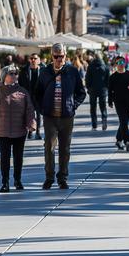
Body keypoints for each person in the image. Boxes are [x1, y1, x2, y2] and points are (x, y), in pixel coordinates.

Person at [34, 43, 85, 189]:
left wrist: (72, 105)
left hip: (66, 117)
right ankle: (49, 177)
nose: (58, 59)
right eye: (56, 57)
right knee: (49, 147)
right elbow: (37, 93)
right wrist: (41, 109)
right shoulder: (45, 72)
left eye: (61, 56)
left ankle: (62, 177)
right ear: (52, 56)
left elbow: (81, 92)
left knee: (65, 148)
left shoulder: (72, 71)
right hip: (50, 116)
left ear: (65, 56)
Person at [0, 65, 35, 191]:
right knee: (5, 157)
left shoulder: (23, 91)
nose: (14, 76)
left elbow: (30, 109)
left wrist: (31, 124)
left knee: (18, 157)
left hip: (20, 131)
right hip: (2, 130)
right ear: (5, 76)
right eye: (11, 73)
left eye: (15, 73)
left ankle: (17, 180)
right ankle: (5, 183)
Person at [108, 58, 129, 151]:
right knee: (123, 120)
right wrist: (110, 101)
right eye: (119, 63)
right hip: (118, 102)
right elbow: (109, 90)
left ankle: (118, 140)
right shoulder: (113, 77)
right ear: (116, 64)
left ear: (125, 63)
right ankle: (127, 141)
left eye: (122, 62)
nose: (121, 64)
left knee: (124, 122)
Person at [85, 52, 109, 131]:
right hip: (103, 90)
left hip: (93, 90)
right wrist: (107, 88)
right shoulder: (105, 67)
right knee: (103, 107)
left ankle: (94, 125)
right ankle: (104, 121)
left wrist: (88, 88)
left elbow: (87, 78)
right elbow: (108, 80)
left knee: (93, 108)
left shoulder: (90, 66)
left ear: (94, 58)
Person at [22, 53, 43, 138]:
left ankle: (38, 132)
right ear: (29, 60)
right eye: (31, 58)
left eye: (35, 58)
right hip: (28, 95)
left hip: (39, 96)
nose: (33, 60)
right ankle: (30, 131)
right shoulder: (24, 70)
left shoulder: (43, 70)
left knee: (38, 115)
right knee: (29, 115)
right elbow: (21, 84)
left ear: (38, 60)